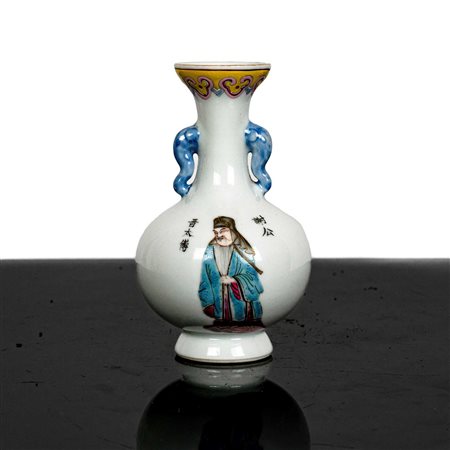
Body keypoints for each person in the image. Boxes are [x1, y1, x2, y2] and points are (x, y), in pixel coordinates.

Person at [198, 216, 264, 326]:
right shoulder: (210, 250)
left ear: (232, 231)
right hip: (219, 305)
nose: (219, 235)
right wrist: (207, 302)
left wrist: (234, 280)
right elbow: (205, 279)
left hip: (243, 307)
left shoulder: (244, 250)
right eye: (216, 232)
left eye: (223, 231)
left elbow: (253, 278)